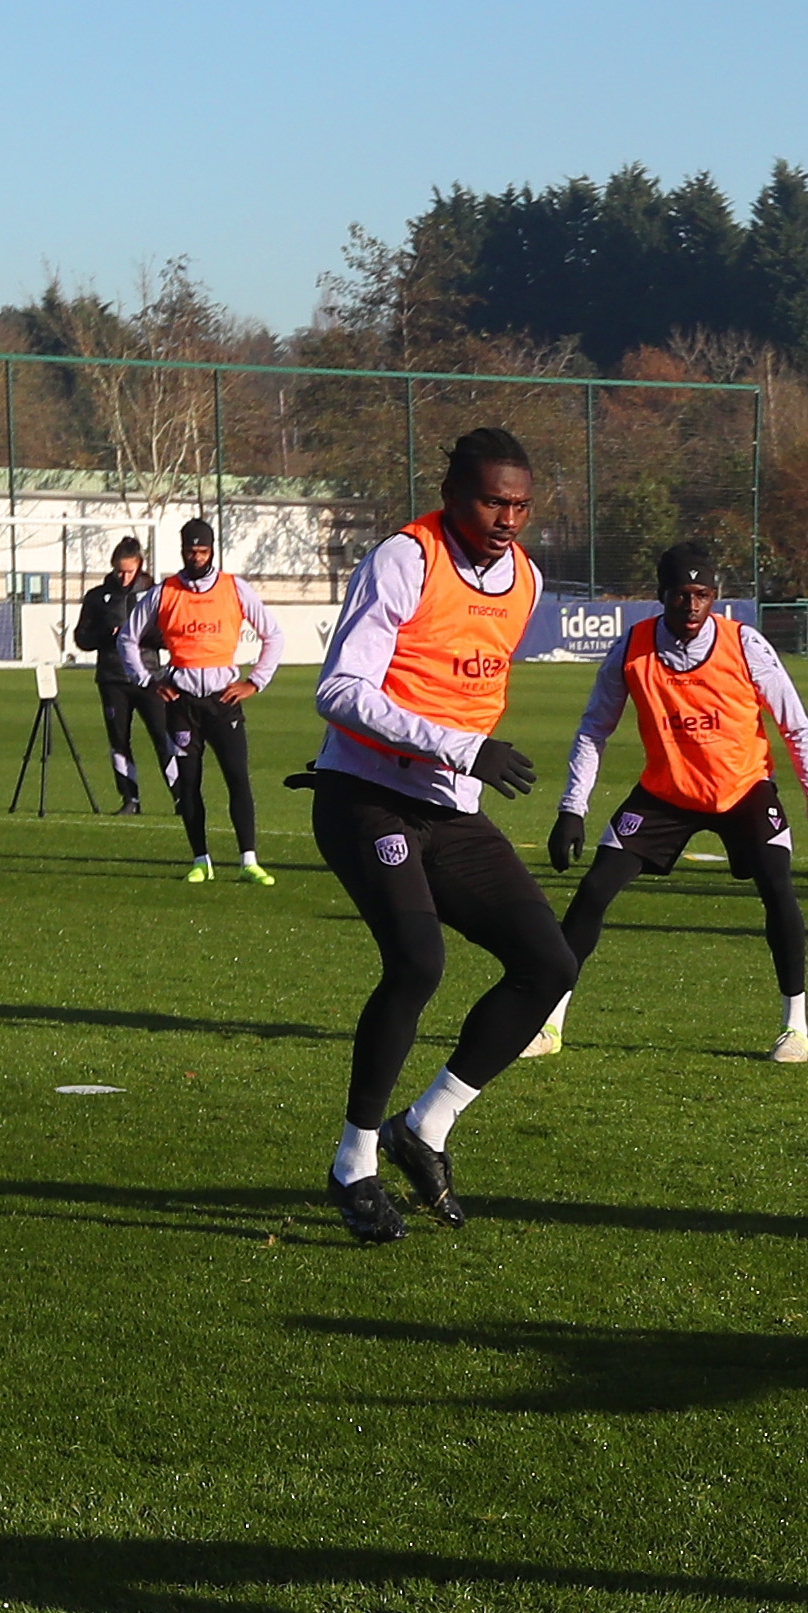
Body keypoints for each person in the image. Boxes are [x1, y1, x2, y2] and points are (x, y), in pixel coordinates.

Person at [303, 426, 568, 1245]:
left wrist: (461, 762)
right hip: (365, 796)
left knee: (548, 964)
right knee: (418, 962)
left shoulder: (523, 577)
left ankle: (428, 1127)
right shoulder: (404, 559)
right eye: (493, 500)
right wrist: (464, 748)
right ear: (452, 493)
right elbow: (339, 690)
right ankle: (355, 1161)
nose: (508, 517)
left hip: (448, 805)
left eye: (520, 504)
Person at [545, 546, 808, 1063]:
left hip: (743, 790)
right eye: (682, 595)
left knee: (778, 888)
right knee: (594, 890)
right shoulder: (632, 648)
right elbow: (595, 728)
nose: (692, 606)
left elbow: (796, 727)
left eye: (703, 595)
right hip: (666, 794)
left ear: (716, 598)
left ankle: (795, 1027)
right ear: (661, 596)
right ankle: (547, 1023)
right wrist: (572, 808)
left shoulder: (745, 644)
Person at [148, 515, 286, 886]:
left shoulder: (234, 588)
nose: (196, 557)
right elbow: (128, 640)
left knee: (237, 779)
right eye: (190, 550)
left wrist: (254, 682)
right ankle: (200, 859)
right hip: (182, 702)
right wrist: (149, 679)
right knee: (188, 784)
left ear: (212, 551)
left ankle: (248, 860)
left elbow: (273, 635)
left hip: (223, 701)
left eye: (202, 550)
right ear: (182, 551)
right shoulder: (164, 592)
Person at [72, 532, 156, 814]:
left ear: (140, 566)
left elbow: (168, 636)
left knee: (164, 737)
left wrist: (138, 636)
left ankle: (181, 797)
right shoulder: (97, 597)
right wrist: (107, 635)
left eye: (129, 572)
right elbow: (82, 638)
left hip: (149, 676)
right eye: (119, 571)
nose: (124, 578)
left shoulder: (155, 594)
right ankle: (130, 799)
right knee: (119, 741)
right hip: (111, 679)